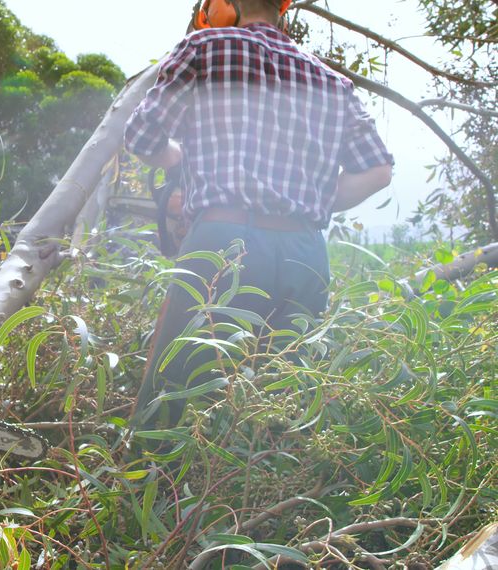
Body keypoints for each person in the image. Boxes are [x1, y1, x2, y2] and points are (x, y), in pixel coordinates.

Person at [125, 0, 394, 428]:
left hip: (223, 242)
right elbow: (378, 171)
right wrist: (314, 202)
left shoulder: (204, 45)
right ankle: (266, 487)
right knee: (278, 404)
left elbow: (142, 136)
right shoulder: (331, 79)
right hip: (306, 254)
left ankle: (151, 483)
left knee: (171, 395)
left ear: (227, 7)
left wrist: (180, 161)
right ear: (282, 9)